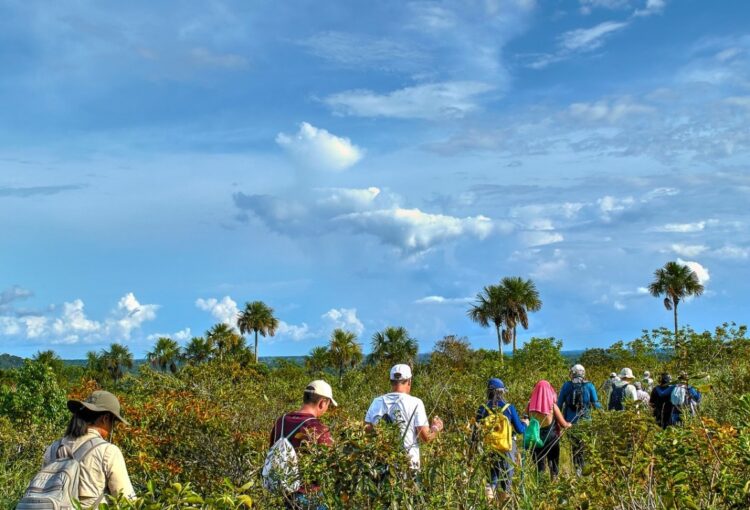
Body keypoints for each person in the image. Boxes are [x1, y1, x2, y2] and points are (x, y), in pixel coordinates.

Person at [38, 391, 136, 508]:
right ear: (105, 418)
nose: (112, 428)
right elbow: (127, 501)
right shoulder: (108, 451)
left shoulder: (53, 448)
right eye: (113, 422)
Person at [269, 380, 336, 510]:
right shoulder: (318, 428)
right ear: (322, 403)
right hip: (308, 493)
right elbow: (330, 463)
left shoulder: (281, 420)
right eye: (328, 404)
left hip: (284, 492)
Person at [364, 364, 443, 471]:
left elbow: (366, 432)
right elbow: (426, 438)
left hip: (380, 465)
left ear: (391, 381)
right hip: (408, 466)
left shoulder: (376, 402)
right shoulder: (416, 403)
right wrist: (436, 428)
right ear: (409, 381)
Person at [474, 378, 527, 499]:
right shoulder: (508, 407)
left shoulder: (482, 409)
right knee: (506, 481)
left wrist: (472, 450)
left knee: (491, 479)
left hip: (489, 448)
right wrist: (525, 424)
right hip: (507, 448)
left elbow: (475, 432)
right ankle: (504, 503)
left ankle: (489, 503)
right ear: (502, 392)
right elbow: (520, 430)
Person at [557, 364, 601, 475]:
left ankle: (577, 471)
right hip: (586, 423)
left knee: (575, 448)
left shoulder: (567, 386)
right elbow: (596, 404)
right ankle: (586, 472)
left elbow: (559, 404)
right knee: (585, 448)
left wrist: (559, 421)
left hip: (570, 423)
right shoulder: (589, 386)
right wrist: (605, 416)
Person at [527, 380, 571, 478]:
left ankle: (541, 489)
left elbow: (527, 420)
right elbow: (563, 425)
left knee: (540, 468)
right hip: (552, 440)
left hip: (536, 440)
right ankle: (553, 489)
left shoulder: (530, 406)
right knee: (554, 468)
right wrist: (570, 424)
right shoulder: (552, 406)